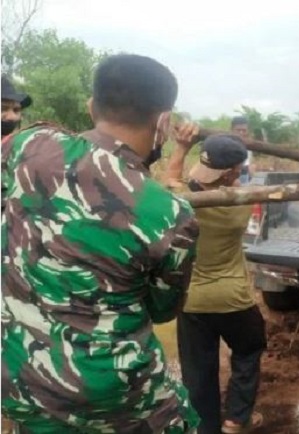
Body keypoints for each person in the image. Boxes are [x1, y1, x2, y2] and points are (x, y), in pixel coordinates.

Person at [1, 54, 200, 433]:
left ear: (92, 107)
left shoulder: (28, 145)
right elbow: (162, 310)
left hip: (23, 387)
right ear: (163, 122)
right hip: (116, 404)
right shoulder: (172, 215)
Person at [165, 130, 267, 434]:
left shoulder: (181, 203)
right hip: (233, 298)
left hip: (192, 300)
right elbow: (235, 182)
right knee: (249, 349)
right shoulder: (242, 204)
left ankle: (204, 427)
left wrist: (182, 147)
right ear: (233, 173)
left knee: (197, 371)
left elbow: (172, 176)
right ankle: (236, 419)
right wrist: (237, 167)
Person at [231, 116, 254, 184]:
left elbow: (248, 164)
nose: (241, 133)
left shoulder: (249, 146)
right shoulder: (225, 145)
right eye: (238, 130)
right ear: (231, 130)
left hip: (244, 176)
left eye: (244, 130)